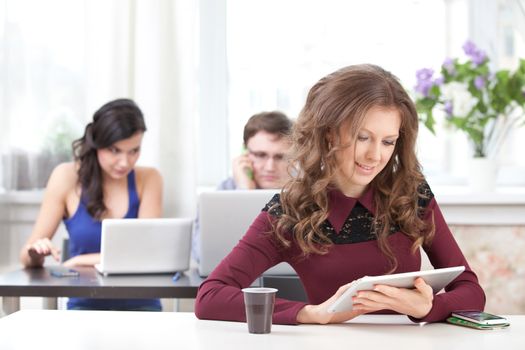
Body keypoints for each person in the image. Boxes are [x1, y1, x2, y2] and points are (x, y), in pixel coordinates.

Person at [194, 64, 485, 325]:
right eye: (363, 137)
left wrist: (428, 307)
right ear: (330, 134)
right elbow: (210, 297)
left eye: (388, 141)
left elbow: (471, 292)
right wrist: (311, 313)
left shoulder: (412, 194)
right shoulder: (291, 211)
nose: (375, 155)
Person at [20, 98, 164, 311]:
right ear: (97, 143)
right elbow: (26, 255)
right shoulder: (66, 177)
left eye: (134, 151)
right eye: (115, 150)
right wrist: (36, 252)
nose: (125, 162)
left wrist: (82, 260)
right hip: (85, 307)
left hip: (143, 305)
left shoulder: (149, 179)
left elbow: (144, 255)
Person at [191, 111, 293, 261]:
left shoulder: (307, 191)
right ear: (245, 152)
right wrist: (245, 191)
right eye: (260, 155)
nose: (270, 167)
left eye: (280, 157)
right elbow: (201, 254)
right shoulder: (224, 191)